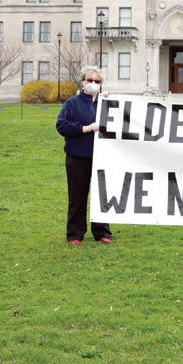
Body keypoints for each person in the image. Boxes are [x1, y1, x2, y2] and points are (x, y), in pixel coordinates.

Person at [56, 66, 113, 244]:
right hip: (77, 157)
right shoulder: (72, 103)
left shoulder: (106, 103)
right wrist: (86, 128)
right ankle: (75, 233)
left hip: (102, 157)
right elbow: (62, 125)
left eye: (97, 81)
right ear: (83, 82)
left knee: (101, 196)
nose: (93, 84)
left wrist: (114, 103)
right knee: (77, 196)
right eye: (90, 80)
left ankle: (102, 231)